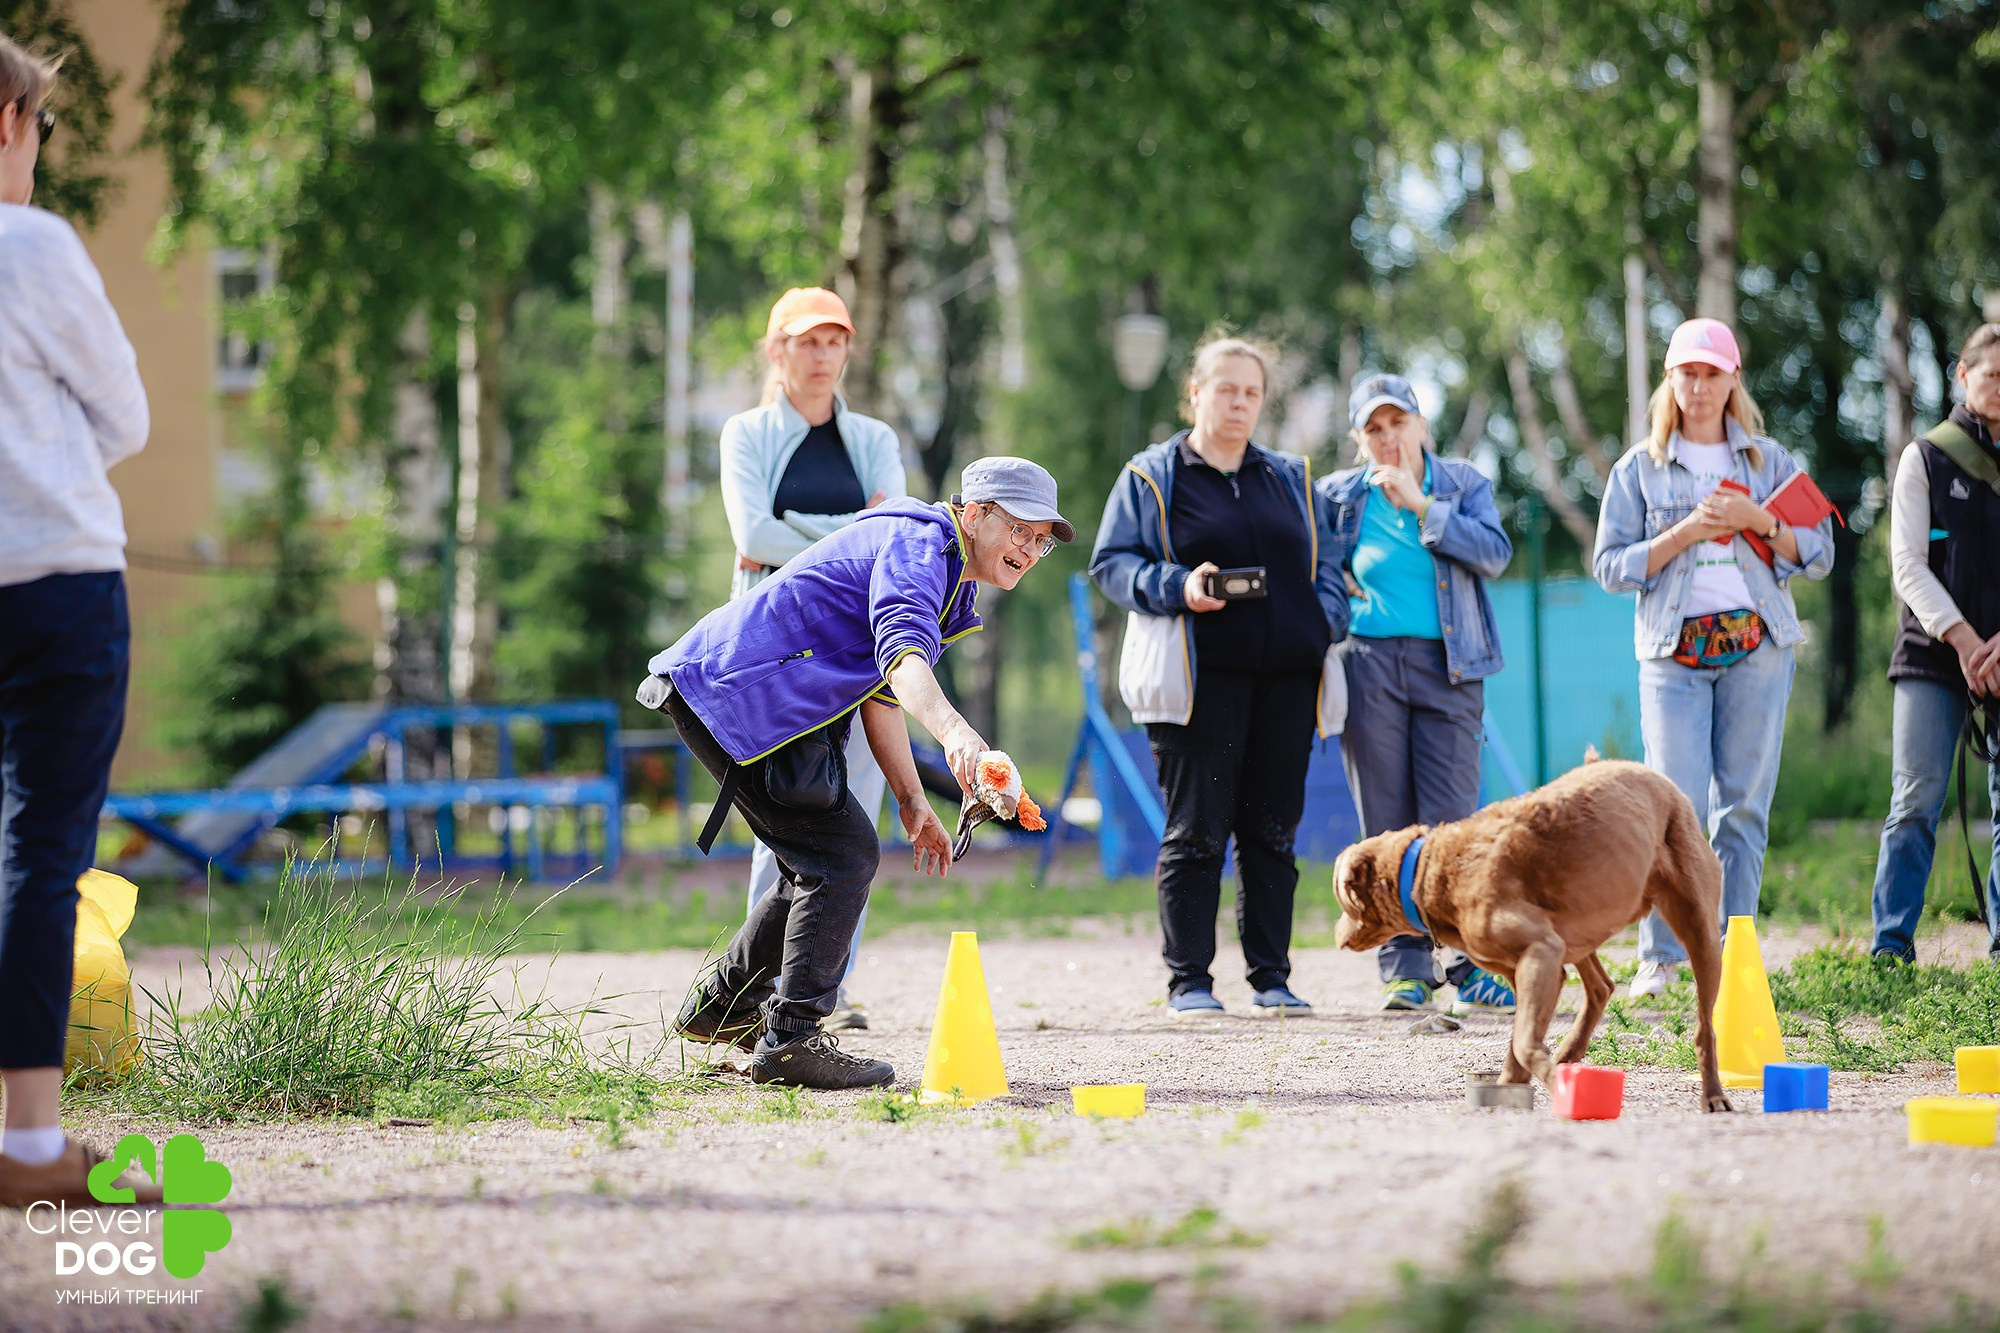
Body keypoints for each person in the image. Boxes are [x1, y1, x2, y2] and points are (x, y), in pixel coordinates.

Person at [645, 457, 1071, 1088]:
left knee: (819, 858)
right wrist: (957, 735)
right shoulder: (922, 547)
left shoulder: (948, 567)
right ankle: (792, 1039)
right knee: (842, 854)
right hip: (743, 696)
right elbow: (902, 658)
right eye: (1020, 531)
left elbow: (882, 691)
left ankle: (722, 1010)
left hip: (749, 699)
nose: (1030, 551)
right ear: (977, 514)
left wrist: (911, 798)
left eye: (1040, 541)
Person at [0, 37, 159, 1208]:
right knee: (38, 853)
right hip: (51, 579)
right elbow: (125, 414)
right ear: (10, 120)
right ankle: (30, 1144)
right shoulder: (30, 245)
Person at [1091, 335, 1348, 1018]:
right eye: (1226, 388)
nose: (1239, 402)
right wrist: (1176, 584)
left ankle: (1272, 978)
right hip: (1198, 680)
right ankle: (1190, 982)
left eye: (1251, 392)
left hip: (1290, 678)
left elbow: (1329, 562)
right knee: (1196, 830)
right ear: (1195, 392)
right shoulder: (1151, 476)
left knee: (1272, 832)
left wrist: (1327, 618)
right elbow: (1111, 563)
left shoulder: (1291, 475)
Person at [1593, 318, 1834, 997]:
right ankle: (1662, 959)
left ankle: (1735, 957)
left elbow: (1819, 552)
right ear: (1670, 381)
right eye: (1686, 373)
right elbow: (1609, 566)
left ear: (1733, 380)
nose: (1699, 386)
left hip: (1758, 649)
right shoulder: (1638, 467)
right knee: (1672, 807)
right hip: (1673, 656)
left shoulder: (1769, 462)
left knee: (1745, 810)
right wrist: (1687, 532)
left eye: (1711, 373)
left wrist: (1758, 521)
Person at [720, 287, 905, 1032]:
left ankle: (829, 988)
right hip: (775, 659)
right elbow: (751, 534)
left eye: (834, 341)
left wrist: (802, 531)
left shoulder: (874, 438)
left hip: (857, 653)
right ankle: (757, 990)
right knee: (786, 824)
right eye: (806, 341)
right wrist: (847, 537)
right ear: (777, 351)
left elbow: (893, 533)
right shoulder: (746, 433)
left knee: (857, 814)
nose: (822, 354)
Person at [1320, 373, 1519, 1014]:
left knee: (1452, 826)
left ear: (1420, 426)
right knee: (1386, 822)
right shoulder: (1336, 496)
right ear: (1358, 439)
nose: (1387, 438)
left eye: (1397, 423)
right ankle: (1404, 969)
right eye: (1373, 429)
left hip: (1452, 666)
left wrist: (1421, 506)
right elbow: (1311, 562)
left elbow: (1494, 553)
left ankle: (1470, 962)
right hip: (1369, 664)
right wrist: (1333, 586)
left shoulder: (1464, 484)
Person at [1869, 323, 2000, 963]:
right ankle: (1890, 951)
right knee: (1916, 800)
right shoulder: (1925, 456)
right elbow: (1908, 567)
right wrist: (1970, 643)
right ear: (1962, 375)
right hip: (1933, 652)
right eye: (1992, 373)